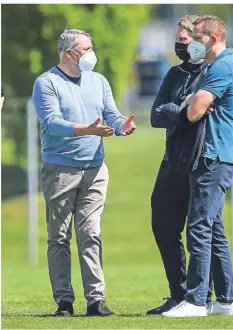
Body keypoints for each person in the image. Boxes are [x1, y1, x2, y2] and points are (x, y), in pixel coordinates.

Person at [32, 29, 136, 317]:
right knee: (59, 237)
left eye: (92, 47)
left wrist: (120, 125)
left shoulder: (98, 80)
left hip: (94, 170)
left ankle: (95, 301)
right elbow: (52, 123)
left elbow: (111, 112)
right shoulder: (46, 83)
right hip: (60, 171)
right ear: (69, 53)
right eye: (85, 49)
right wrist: (88, 129)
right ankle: (64, 302)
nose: (91, 53)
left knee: (91, 233)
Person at [163, 15, 233, 317]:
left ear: (212, 38)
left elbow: (196, 111)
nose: (192, 42)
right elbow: (198, 103)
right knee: (214, 229)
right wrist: (193, 100)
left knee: (198, 225)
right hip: (216, 156)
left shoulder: (222, 67)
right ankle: (226, 301)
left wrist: (185, 104)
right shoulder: (219, 67)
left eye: (197, 37)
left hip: (214, 156)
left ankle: (196, 300)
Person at [147, 15, 213, 315]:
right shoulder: (173, 74)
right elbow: (155, 115)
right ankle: (178, 292)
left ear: (198, 42)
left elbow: (201, 115)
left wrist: (183, 110)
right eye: (177, 41)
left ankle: (204, 294)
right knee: (162, 224)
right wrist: (180, 108)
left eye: (185, 41)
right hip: (171, 159)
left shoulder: (212, 73)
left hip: (198, 160)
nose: (180, 46)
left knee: (200, 230)